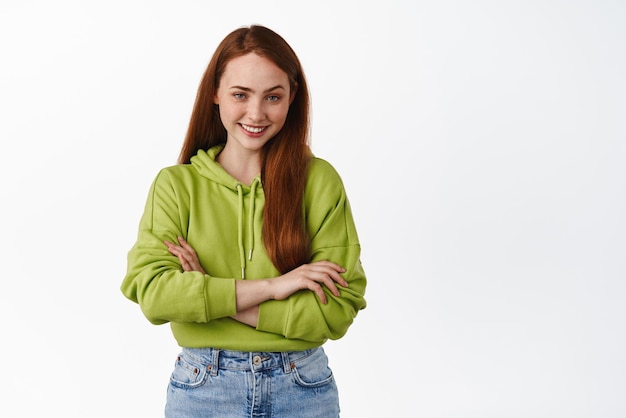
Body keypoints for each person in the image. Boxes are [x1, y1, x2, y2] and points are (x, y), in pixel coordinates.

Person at [121, 24, 367, 417]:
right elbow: (154, 295)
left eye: (273, 96)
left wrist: (212, 295)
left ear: (291, 99)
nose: (256, 113)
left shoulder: (318, 181)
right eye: (241, 94)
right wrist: (275, 286)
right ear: (215, 94)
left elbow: (335, 311)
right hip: (204, 389)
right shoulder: (177, 185)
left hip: (303, 388)